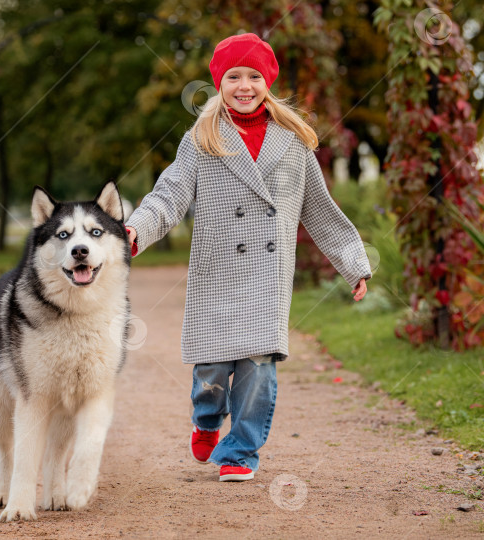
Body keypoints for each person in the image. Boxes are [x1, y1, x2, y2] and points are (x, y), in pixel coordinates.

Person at [124, 33, 371, 482]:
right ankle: (206, 419)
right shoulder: (201, 140)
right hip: (217, 272)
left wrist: (352, 262)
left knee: (258, 368)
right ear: (219, 83)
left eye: (254, 76)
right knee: (213, 368)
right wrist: (137, 228)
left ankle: (240, 451)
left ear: (267, 82)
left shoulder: (293, 143)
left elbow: (319, 209)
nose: (244, 85)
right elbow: (170, 195)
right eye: (233, 76)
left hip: (266, 275)